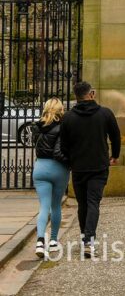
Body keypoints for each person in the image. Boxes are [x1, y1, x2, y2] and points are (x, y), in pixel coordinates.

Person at [60, 81, 120, 258]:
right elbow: (115, 136)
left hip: (78, 167)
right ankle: (88, 241)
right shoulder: (105, 113)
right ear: (91, 94)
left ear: (76, 96)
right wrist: (114, 155)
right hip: (99, 165)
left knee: (83, 204)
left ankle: (85, 238)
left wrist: (71, 160)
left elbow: (63, 145)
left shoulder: (68, 117)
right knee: (93, 202)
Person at [32, 98, 69, 258]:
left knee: (43, 207)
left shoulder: (36, 127)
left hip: (40, 167)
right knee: (56, 206)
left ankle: (40, 241)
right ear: (61, 110)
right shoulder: (63, 127)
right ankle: (53, 240)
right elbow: (60, 151)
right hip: (58, 168)